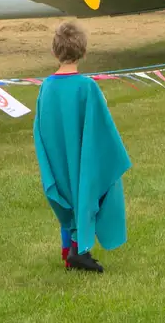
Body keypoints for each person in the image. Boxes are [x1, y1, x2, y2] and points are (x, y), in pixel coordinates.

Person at [33, 21, 131, 273]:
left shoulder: (46, 87)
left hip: (57, 156)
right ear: (83, 52)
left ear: (54, 52)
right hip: (81, 156)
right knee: (84, 193)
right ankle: (79, 251)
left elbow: (42, 125)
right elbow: (101, 127)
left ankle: (70, 252)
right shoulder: (87, 87)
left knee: (66, 198)